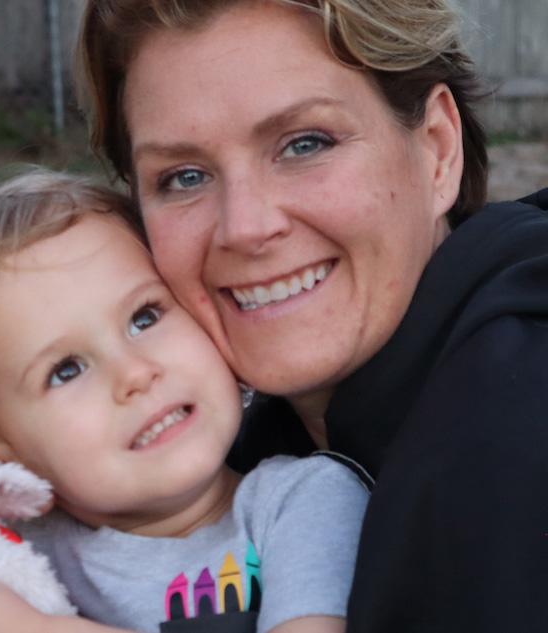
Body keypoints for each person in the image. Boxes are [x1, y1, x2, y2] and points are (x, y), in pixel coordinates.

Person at [76, 1, 548, 631]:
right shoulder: (230, 454)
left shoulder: (517, 420)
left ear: (437, 148)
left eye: (305, 144)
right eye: (184, 177)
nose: (245, 227)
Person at [0, 171, 369, 633]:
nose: (134, 373)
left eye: (145, 317)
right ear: (6, 467)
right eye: (67, 370)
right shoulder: (7, 561)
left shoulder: (304, 503)